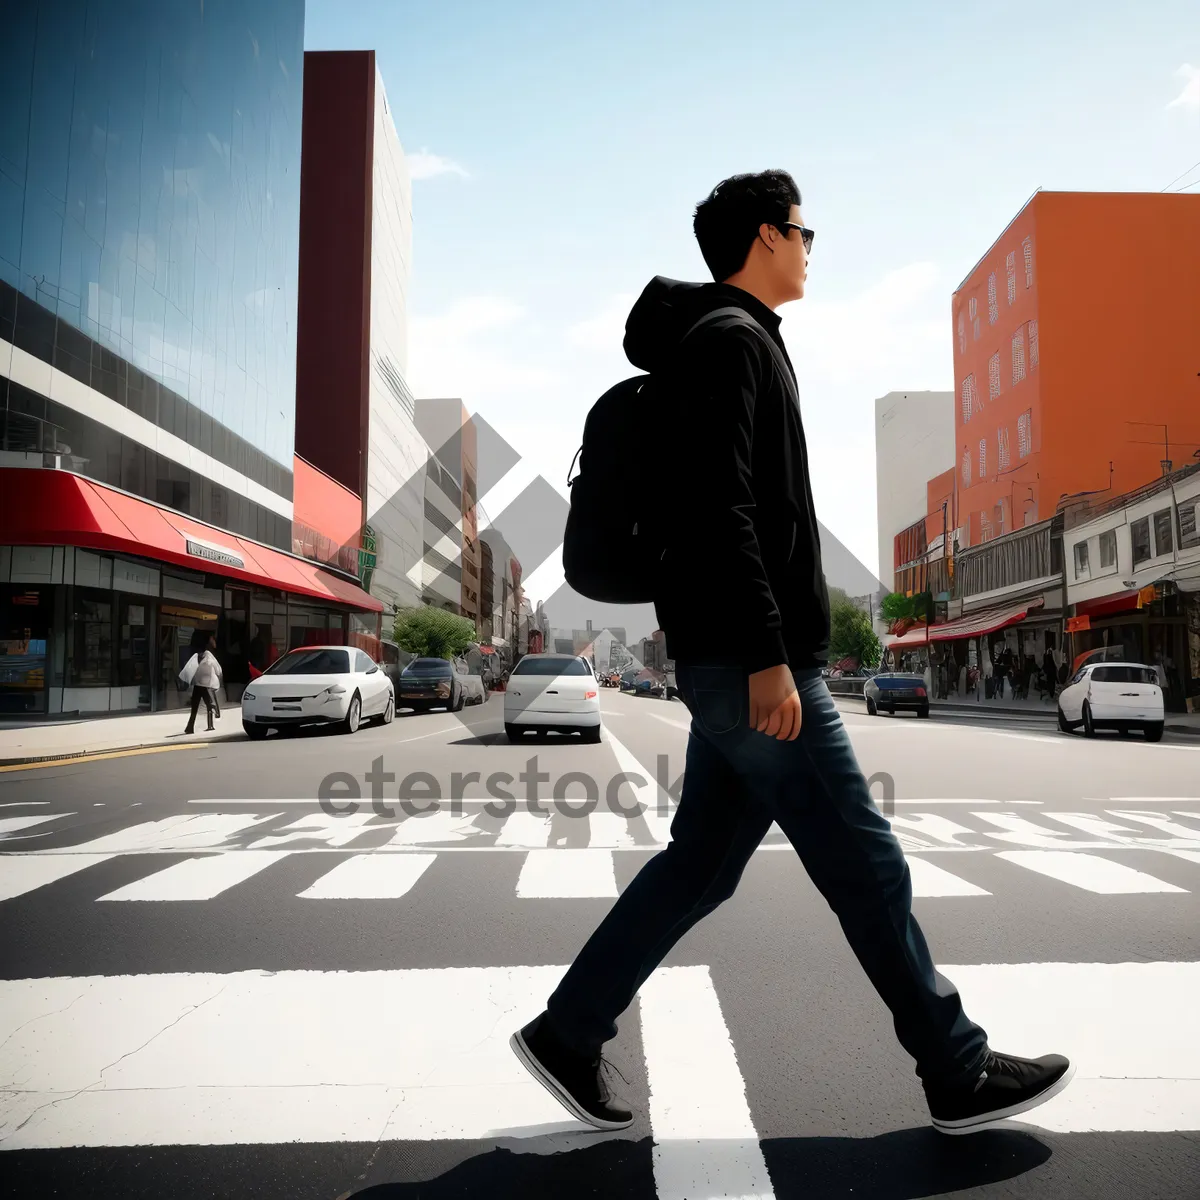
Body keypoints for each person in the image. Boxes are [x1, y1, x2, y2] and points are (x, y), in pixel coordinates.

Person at [510, 169, 1072, 1136]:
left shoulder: (728, 345)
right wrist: (772, 658)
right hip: (755, 665)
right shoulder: (732, 346)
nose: (812, 249)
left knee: (700, 866)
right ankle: (957, 1069)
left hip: (732, 659)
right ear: (766, 237)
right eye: (806, 232)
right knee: (866, 864)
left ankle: (569, 1030)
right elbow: (722, 512)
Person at [183, 636, 222, 734]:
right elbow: (218, 670)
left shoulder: (197, 656)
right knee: (209, 704)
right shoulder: (209, 656)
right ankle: (210, 724)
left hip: (198, 683)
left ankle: (190, 727)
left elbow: (191, 668)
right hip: (206, 684)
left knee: (195, 706)